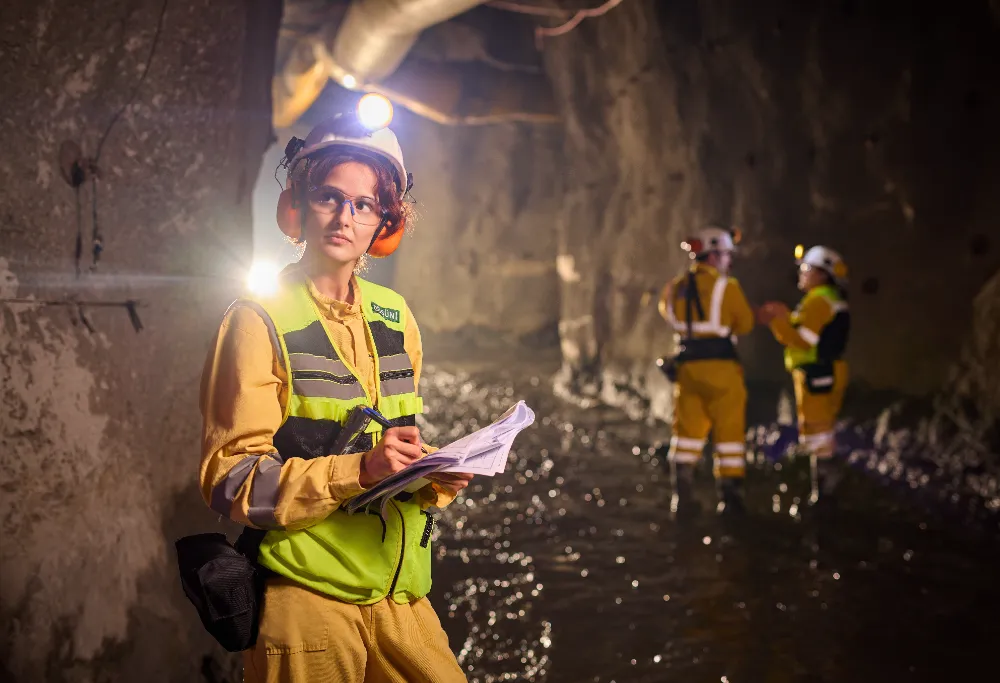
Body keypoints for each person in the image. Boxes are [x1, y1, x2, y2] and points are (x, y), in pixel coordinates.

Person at [198, 97, 471, 682]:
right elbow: (230, 482)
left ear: (384, 222)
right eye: (329, 197)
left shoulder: (396, 316)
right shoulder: (256, 318)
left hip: (400, 592)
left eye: (364, 204)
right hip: (306, 595)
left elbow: (394, 448)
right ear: (297, 205)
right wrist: (360, 471)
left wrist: (433, 476)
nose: (345, 216)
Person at [658, 226, 755, 515]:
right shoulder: (728, 287)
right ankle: (730, 501)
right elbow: (746, 323)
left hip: (688, 371)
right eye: (726, 255)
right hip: (722, 370)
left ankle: (682, 498)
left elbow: (666, 311)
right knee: (729, 434)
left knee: (686, 435)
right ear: (713, 256)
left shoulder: (675, 287)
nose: (728, 261)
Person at [758, 245, 851, 505]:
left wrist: (776, 320)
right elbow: (806, 328)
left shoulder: (819, 301)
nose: (801, 273)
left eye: (806, 268)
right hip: (821, 371)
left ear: (822, 274)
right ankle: (821, 490)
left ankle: (825, 494)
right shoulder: (823, 299)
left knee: (819, 432)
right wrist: (785, 315)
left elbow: (802, 340)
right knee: (817, 430)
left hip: (818, 372)